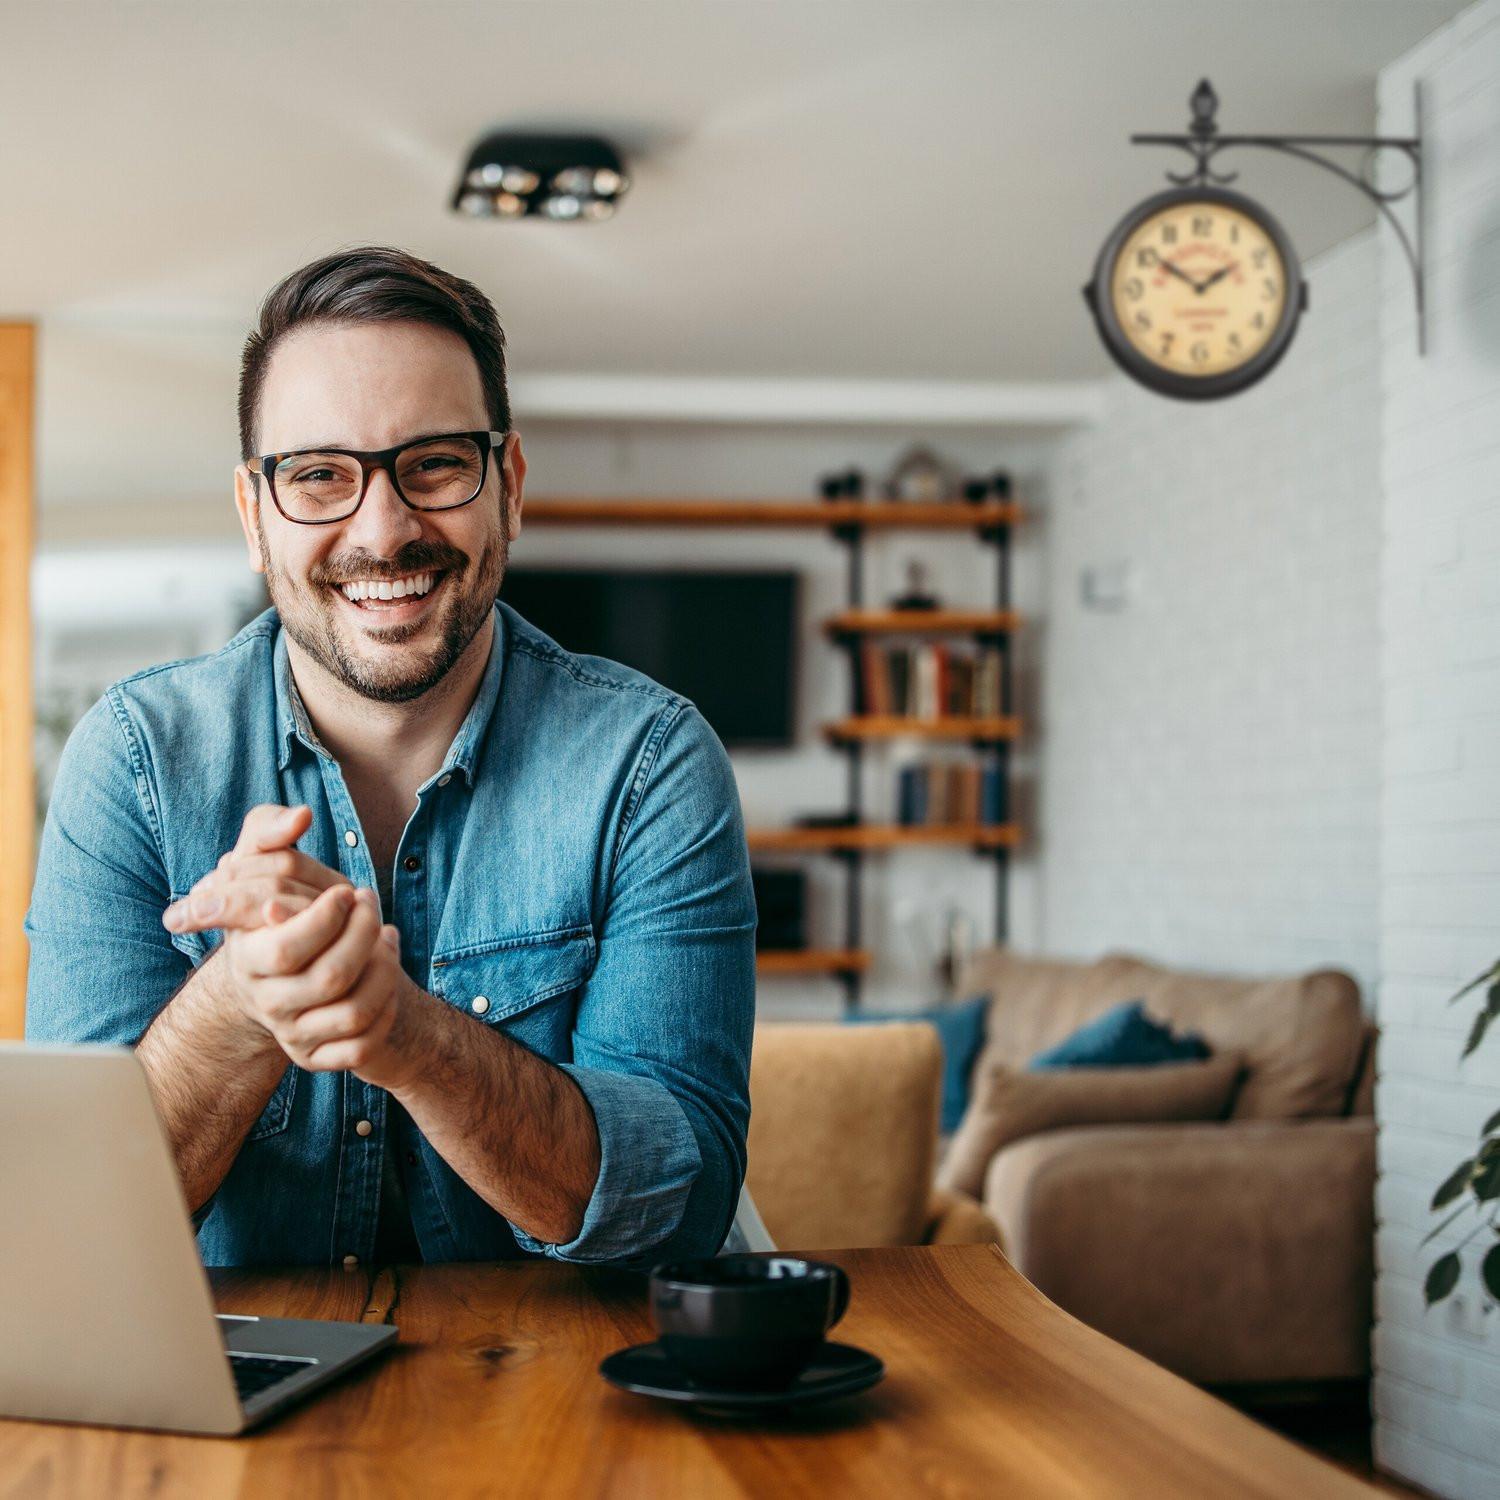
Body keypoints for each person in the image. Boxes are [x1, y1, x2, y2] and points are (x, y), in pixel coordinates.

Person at [25, 246, 757, 1270]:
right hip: (237, 1408)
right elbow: (65, 1229)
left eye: (436, 463)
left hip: (562, 1410)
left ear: (507, 486)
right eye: (319, 474)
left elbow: (675, 1209)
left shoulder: (650, 763)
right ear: (253, 515)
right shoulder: (135, 761)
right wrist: (238, 1004)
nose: (384, 528)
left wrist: (407, 1034)